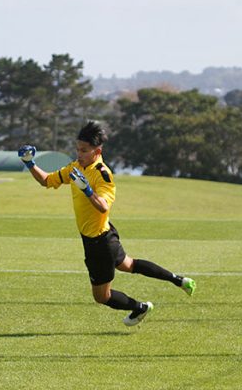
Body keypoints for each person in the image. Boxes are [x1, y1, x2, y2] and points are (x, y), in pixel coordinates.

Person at [18, 120, 196, 326]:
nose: (79, 153)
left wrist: (87, 190)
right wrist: (29, 163)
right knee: (129, 264)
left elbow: (103, 206)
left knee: (102, 296)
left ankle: (140, 307)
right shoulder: (75, 168)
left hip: (99, 244)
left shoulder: (103, 174)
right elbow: (47, 180)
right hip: (104, 235)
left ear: (97, 151)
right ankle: (179, 280)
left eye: (84, 150)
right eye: (77, 149)